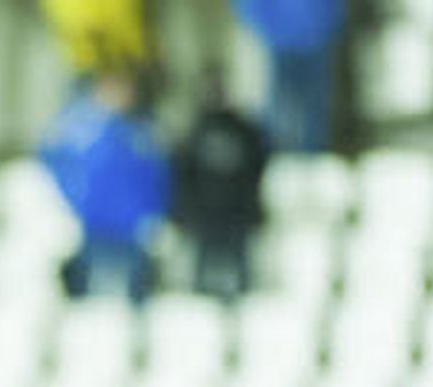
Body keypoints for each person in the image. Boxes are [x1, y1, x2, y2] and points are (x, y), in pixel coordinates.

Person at [37, 70, 172, 304]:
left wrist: (150, 211)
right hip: (93, 226)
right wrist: (76, 199)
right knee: (87, 303)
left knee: (132, 299)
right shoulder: (80, 131)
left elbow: (157, 177)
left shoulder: (141, 133)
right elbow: (52, 161)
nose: (119, 97)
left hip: (130, 230)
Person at [172, 66, 270, 303]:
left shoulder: (245, 130)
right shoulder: (193, 132)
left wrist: (253, 210)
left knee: (241, 287)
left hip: (237, 218)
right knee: (202, 290)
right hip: (205, 220)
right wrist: (184, 214)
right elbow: (183, 176)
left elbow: (257, 170)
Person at [233, 0, 345, 154]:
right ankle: (277, 154)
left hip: (315, 40)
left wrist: (327, 24)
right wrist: (266, 30)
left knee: (315, 107)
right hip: (278, 44)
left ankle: (312, 156)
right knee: (280, 105)